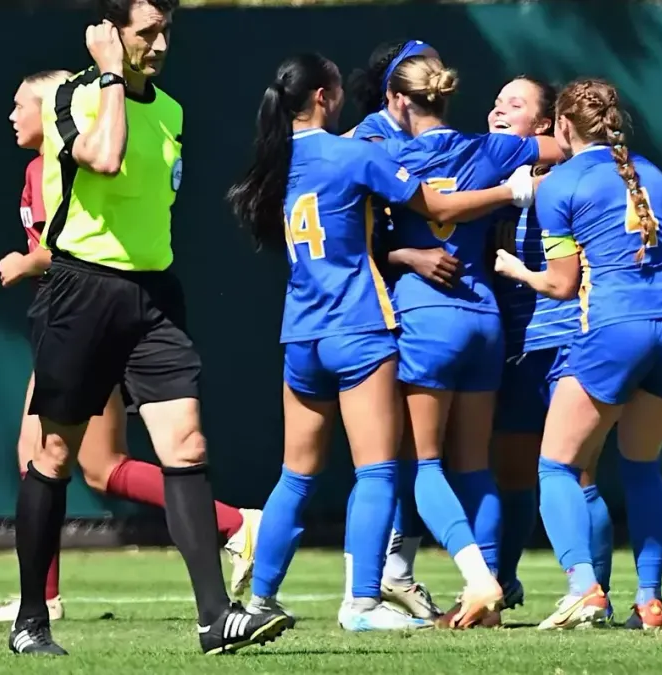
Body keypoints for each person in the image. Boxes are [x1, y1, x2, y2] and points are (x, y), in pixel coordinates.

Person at [8, 0, 291, 656]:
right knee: (53, 455)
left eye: (167, 31)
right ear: (111, 34)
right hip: (81, 291)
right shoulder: (74, 97)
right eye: (147, 32)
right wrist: (109, 76)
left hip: (153, 296)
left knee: (186, 444)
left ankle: (215, 617)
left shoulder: (171, 111)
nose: (161, 44)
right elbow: (104, 158)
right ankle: (30, 620)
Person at [226, 53, 535, 633]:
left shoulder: (275, 161)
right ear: (323, 96)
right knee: (377, 472)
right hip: (358, 327)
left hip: (301, 333)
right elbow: (437, 205)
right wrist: (509, 195)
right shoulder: (354, 153)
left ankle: (259, 601)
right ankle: (362, 602)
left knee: (296, 474)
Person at [494, 78, 662, 631]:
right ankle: (649, 601)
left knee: (555, 464)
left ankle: (585, 589)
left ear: (561, 126)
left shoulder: (562, 185)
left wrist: (516, 270)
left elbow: (561, 286)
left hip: (615, 325)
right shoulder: (653, 174)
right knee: (642, 463)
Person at [378, 55, 559, 629]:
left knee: (422, 463)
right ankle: (492, 599)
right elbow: (557, 151)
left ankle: (475, 581)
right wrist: (515, 185)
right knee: (475, 467)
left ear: (401, 102)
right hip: (485, 320)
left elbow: (352, 232)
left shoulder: (390, 157)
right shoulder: (491, 150)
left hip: (428, 319)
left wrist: (402, 252)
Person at [486, 76, 613, 615]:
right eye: (494, 102)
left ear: (546, 125)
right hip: (517, 347)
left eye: (513, 105)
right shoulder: (492, 175)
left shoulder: (576, 176)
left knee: (577, 473)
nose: (496, 112)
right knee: (511, 472)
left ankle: (594, 592)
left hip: (569, 338)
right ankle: (501, 583)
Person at [342, 38, 444, 621]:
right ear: (396, 90)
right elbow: (353, 237)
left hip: (421, 311)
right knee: (383, 454)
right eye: (424, 68)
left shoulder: (425, 135)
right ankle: (372, 579)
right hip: (371, 311)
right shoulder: (368, 140)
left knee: (409, 452)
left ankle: (397, 570)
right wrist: (409, 256)